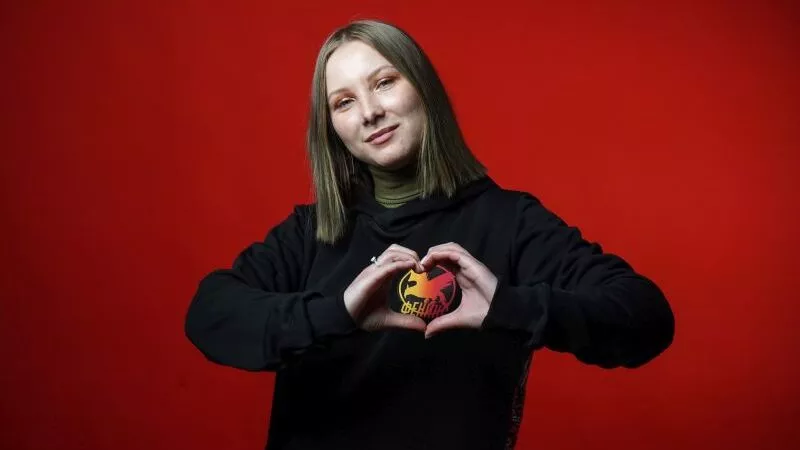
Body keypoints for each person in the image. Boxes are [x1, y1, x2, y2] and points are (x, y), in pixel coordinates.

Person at [185, 19, 674, 450]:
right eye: (344, 102)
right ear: (332, 127)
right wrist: (340, 313)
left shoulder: (511, 222)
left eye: (384, 82)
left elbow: (645, 316)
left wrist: (508, 307)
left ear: (423, 87)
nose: (369, 112)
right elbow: (210, 313)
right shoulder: (309, 232)